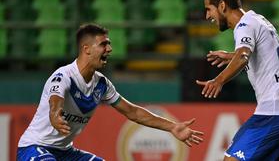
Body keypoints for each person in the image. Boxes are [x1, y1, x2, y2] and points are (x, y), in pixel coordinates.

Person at [17, 23, 204, 160]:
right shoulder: (63, 76)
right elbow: (55, 99)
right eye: (104, 44)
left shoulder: (102, 84)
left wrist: (172, 127)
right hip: (35, 147)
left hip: (65, 152)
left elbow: (133, 112)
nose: (110, 49)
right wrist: (55, 115)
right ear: (86, 49)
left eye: (109, 44)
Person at [196, 0, 279, 161]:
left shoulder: (244, 26)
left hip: (274, 112)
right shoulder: (257, 19)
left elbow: (244, 55)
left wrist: (219, 80)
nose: (208, 16)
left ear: (222, 6)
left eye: (209, 9)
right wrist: (232, 56)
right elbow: (257, 54)